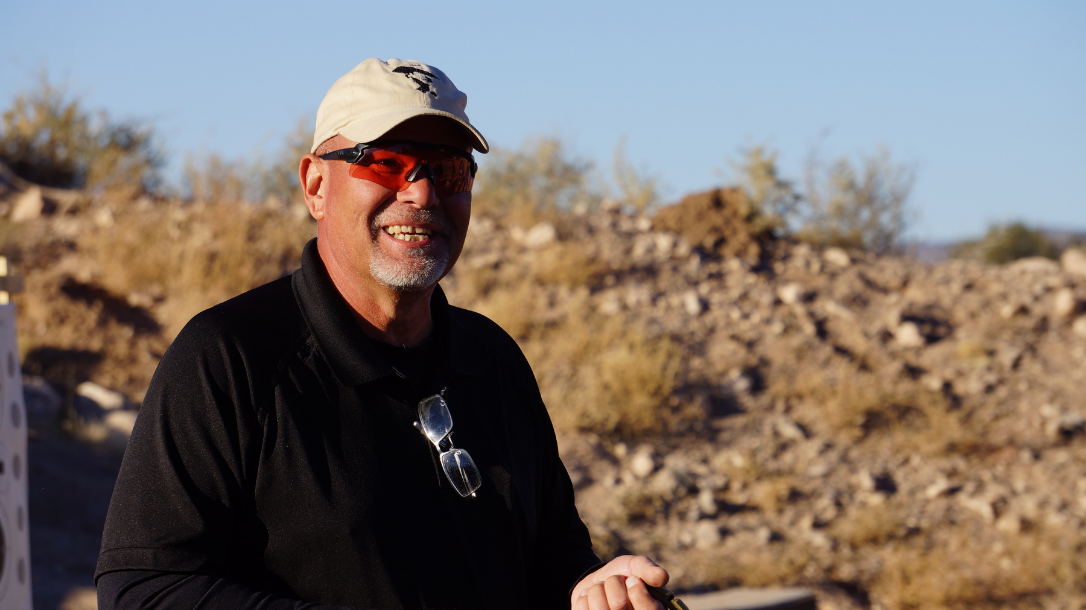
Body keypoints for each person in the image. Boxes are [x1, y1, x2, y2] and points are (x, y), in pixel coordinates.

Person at [95, 58, 669, 610]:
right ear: (315, 185)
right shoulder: (229, 358)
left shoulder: (492, 359)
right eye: (386, 163)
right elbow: (144, 589)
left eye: (448, 170)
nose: (421, 194)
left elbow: (553, 562)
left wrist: (598, 593)